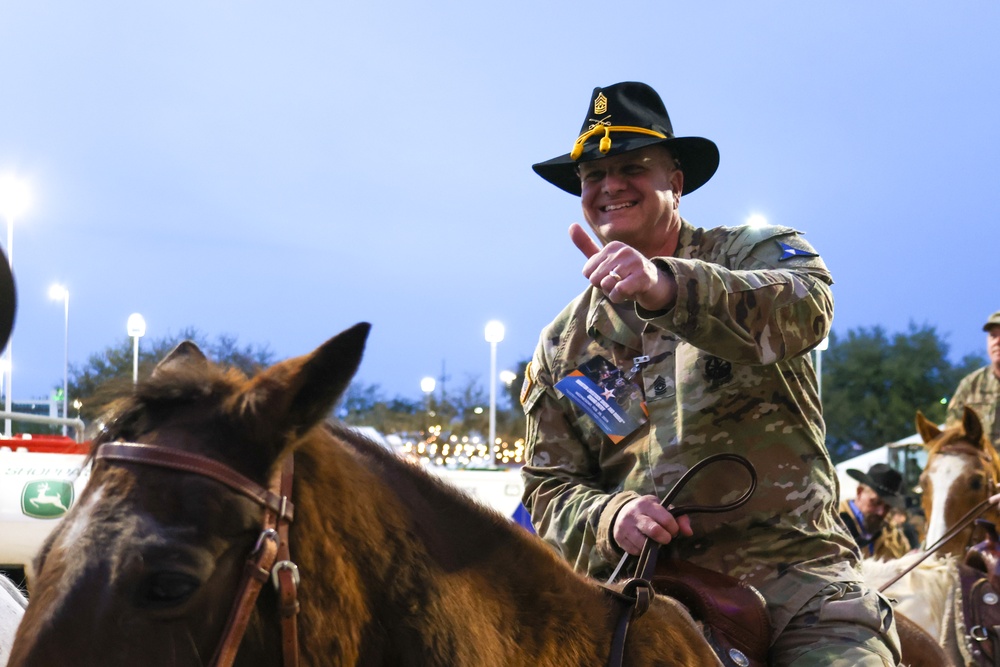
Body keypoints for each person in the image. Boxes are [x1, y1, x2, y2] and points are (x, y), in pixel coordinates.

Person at [520, 82, 899, 666]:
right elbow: (549, 489)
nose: (609, 185)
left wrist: (665, 286)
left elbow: (805, 308)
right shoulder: (564, 345)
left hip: (799, 587)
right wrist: (609, 516)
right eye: (592, 175)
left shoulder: (755, 252)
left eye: (632, 167)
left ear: (676, 180)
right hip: (648, 602)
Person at [946, 310, 1000, 446]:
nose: (997, 342)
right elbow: (952, 432)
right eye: (993, 336)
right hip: (980, 464)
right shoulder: (971, 385)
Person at [839, 464, 911, 559]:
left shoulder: (893, 533)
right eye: (876, 502)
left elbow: (905, 558)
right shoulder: (831, 521)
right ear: (860, 492)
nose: (881, 512)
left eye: (887, 507)